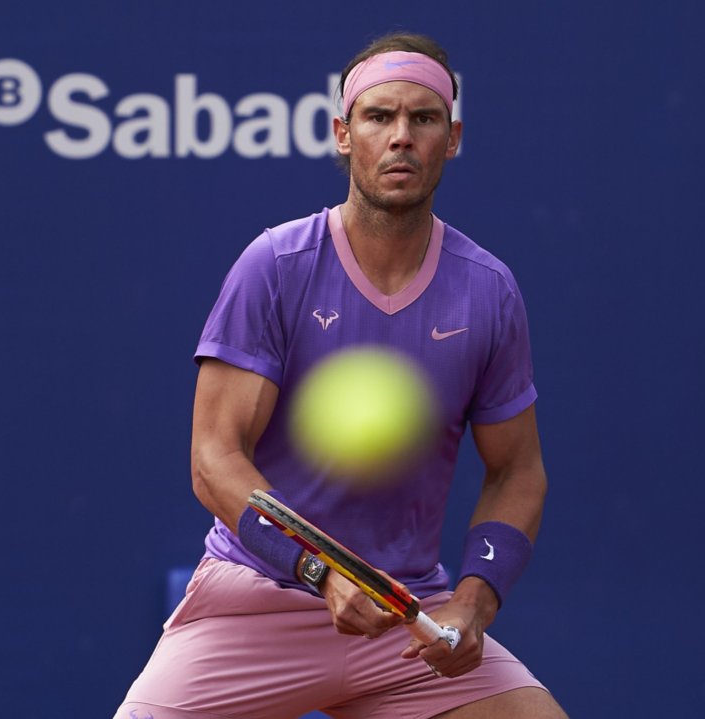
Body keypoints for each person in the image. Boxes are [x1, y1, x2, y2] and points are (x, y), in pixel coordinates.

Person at [113, 32, 568, 719]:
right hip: (257, 602)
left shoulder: (488, 290)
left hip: (403, 621)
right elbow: (214, 458)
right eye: (379, 117)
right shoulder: (276, 265)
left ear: (453, 138)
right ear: (342, 134)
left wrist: (474, 599)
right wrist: (321, 570)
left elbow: (518, 471)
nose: (401, 137)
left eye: (424, 118)